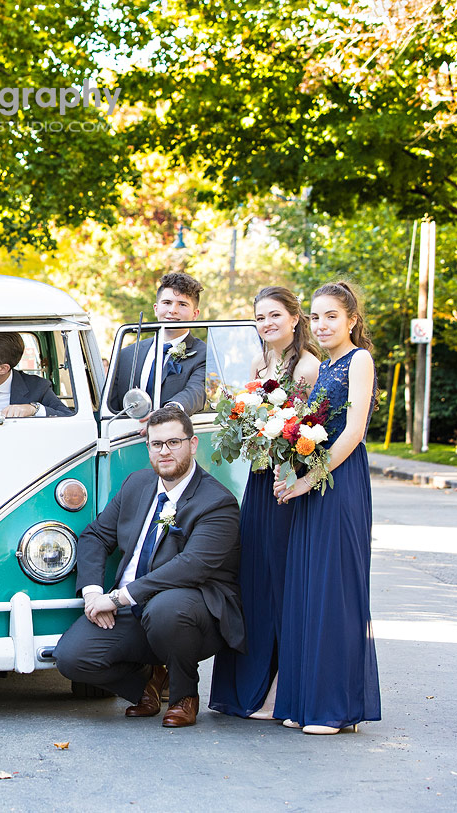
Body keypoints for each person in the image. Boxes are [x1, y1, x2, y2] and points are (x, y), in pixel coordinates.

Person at [53, 405, 242, 727]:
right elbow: (96, 536)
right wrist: (93, 593)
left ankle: (184, 696)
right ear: (148, 447)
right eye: (156, 444)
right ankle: (145, 687)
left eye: (173, 442)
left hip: (193, 610)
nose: (164, 451)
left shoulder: (217, 502)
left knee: (166, 609)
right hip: (132, 608)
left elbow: (191, 566)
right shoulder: (137, 485)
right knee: (71, 657)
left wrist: (117, 598)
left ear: (193, 444)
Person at [272, 281, 381, 735]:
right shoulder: (325, 365)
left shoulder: (359, 361)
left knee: (334, 590)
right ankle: (307, 699)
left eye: (331, 315)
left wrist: (306, 481)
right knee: (308, 588)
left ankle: (336, 708)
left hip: (340, 482)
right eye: (316, 316)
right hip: (314, 482)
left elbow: (352, 432)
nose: (322, 324)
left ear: (352, 319)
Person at [210, 286, 320, 719]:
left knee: (279, 584)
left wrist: (284, 458)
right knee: (252, 579)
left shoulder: (309, 367)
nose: (267, 323)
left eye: (275, 315)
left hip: (286, 484)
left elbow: (309, 433)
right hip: (259, 480)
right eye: (259, 317)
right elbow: (253, 421)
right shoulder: (260, 363)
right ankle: (247, 687)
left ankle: (278, 689)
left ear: (295, 319)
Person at [108, 272, 208, 415]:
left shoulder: (205, 355)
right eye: (167, 303)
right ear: (156, 308)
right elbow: (112, 406)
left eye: (182, 305)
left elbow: (195, 393)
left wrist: (168, 413)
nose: (173, 310)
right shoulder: (126, 355)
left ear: (195, 314)